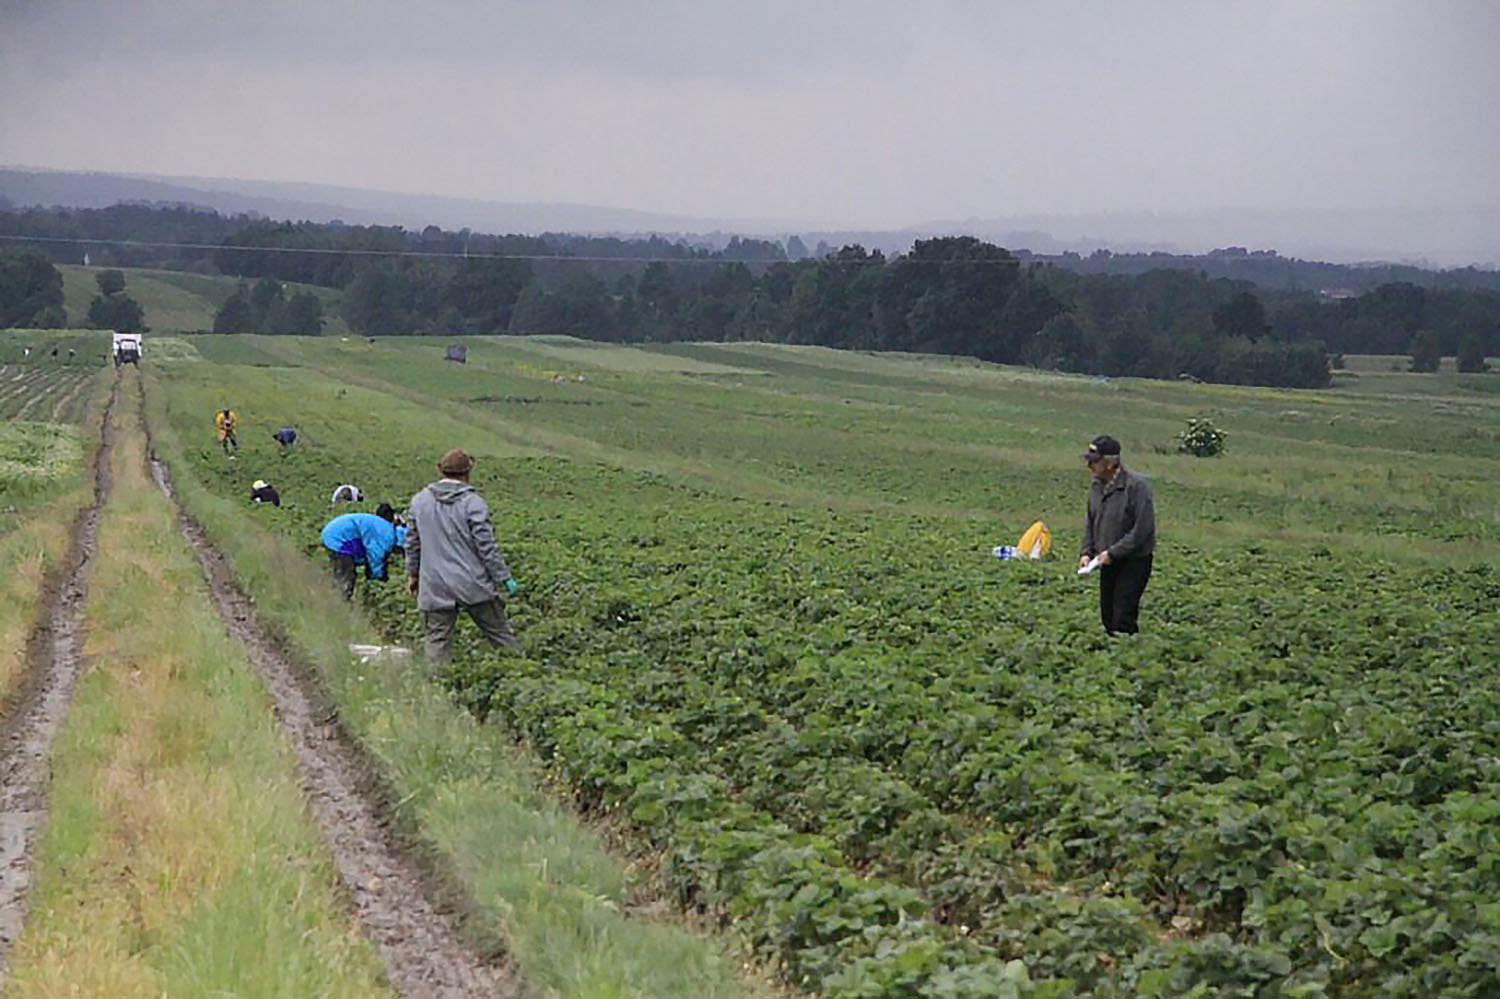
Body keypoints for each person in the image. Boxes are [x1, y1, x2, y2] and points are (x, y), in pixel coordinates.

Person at [406, 449, 520, 663]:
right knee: (501, 636)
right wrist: (503, 577)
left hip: (435, 584)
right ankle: (520, 673)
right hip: (472, 582)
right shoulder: (473, 503)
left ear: (441, 471)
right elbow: (486, 546)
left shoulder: (419, 502)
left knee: (437, 644)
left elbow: (412, 544)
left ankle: (437, 690)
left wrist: (413, 575)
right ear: (468, 473)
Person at [1079, 434, 1156, 635]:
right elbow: (1090, 522)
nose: (1090, 466)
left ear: (1110, 462)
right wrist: (1087, 552)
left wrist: (1112, 553)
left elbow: (1142, 531)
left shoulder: (1137, 487)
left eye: (1094, 462)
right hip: (1105, 561)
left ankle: (1128, 656)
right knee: (1108, 617)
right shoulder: (1096, 486)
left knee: (1123, 616)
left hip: (1133, 562)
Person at [320, 504, 405, 601]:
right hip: (338, 538)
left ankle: (338, 599)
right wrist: (379, 582)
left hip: (334, 533)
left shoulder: (385, 528)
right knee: (347, 574)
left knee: (343, 571)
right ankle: (340, 604)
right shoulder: (387, 537)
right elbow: (375, 559)